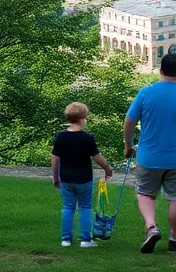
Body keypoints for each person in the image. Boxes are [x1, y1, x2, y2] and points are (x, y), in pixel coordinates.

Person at [124, 52, 176, 254]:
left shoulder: (145, 93)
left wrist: (128, 145)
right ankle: (174, 239)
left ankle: (152, 227)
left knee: (145, 193)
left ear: (160, 70)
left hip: (148, 157)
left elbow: (130, 121)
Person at [51, 101, 114, 249]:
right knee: (85, 207)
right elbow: (97, 157)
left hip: (66, 179)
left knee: (68, 207)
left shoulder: (60, 136)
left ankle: (66, 239)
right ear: (83, 118)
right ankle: (85, 239)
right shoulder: (86, 138)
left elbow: (54, 158)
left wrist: (55, 177)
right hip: (83, 179)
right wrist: (107, 169)